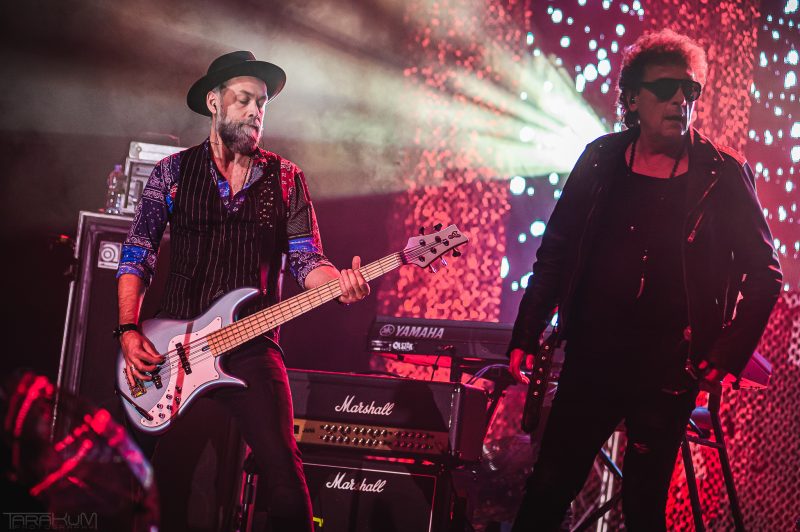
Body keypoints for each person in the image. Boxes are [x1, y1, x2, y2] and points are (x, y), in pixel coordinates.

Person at [507, 29, 781, 531]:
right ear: (632, 98)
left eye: (689, 90)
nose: (680, 100)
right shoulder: (600, 159)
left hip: (668, 367)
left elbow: (765, 275)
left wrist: (723, 355)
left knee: (644, 507)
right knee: (547, 490)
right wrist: (526, 332)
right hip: (592, 356)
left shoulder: (721, 173)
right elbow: (556, 252)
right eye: (665, 88)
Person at [115, 50, 370, 532]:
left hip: (251, 344)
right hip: (174, 351)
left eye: (262, 103)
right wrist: (129, 330)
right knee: (156, 486)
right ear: (214, 101)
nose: (256, 111)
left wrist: (338, 286)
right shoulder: (171, 173)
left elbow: (307, 260)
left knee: (286, 480)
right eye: (244, 99)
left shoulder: (286, 177)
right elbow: (137, 255)